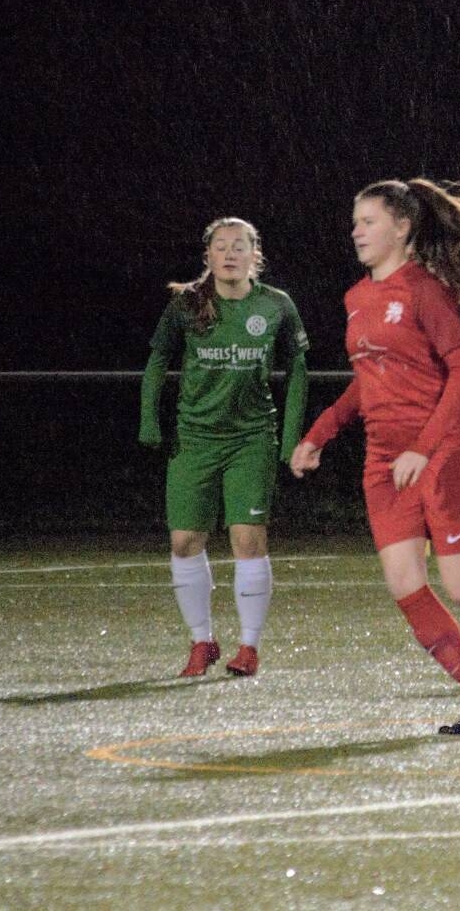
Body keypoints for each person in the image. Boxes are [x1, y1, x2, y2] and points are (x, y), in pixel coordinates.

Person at [290, 178, 460, 735]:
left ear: (402, 227)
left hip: (446, 452)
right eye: (355, 222)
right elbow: (368, 381)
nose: (356, 231)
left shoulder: (425, 290)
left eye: (368, 221)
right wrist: (319, 433)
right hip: (385, 462)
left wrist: (423, 447)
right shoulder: (357, 298)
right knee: (406, 585)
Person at [140, 217, 309, 678]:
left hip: (251, 439)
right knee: (184, 541)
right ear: (208, 256)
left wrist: (290, 438)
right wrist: (149, 420)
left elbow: (297, 369)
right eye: (221, 246)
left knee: (248, 540)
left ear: (256, 255)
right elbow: (157, 359)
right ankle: (202, 641)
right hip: (194, 439)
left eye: (240, 246)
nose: (230, 253)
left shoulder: (276, 305)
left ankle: (248, 647)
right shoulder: (187, 304)